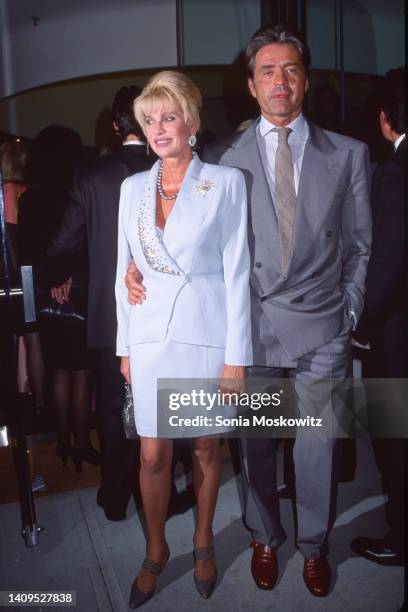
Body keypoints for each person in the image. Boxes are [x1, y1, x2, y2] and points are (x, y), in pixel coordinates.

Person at [127, 24, 372, 597]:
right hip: (252, 327)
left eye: (290, 70)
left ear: (305, 81)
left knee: (317, 448)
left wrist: (349, 311)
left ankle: (313, 545)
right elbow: (181, 239)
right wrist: (139, 266)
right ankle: (264, 536)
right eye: (268, 71)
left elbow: (362, 245)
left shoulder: (350, 155)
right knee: (255, 445)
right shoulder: (219, 159)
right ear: (251, 85)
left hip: (322, 326)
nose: (279, 81)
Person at [116, 70, 252, 608]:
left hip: (204, 337)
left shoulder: (224, 183)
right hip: (149, 339)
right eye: (150, 119)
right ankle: (155, 550)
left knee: (202, 446)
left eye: (168, 117)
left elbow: (237, 273)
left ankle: (202, 540)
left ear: (192, 123)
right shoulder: (131, 188)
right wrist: (125, 346)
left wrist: (237, 359)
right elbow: (120, 270)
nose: (158, 128)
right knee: (152, 456)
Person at [46, 86, 153, 520]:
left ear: (115, 125)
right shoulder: (171, 168)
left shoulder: (92, 176)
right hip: (166, 313)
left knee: (112, 408)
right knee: (162, 405)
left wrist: (57, 275)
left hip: (111, 316)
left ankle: (115, 497)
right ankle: (158, 494)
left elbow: (62, 245)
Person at [18, 125, 97, 470]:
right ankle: (81, 443)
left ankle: (63, 441)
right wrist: (68, 277)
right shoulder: (77, 189)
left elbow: (28, 249)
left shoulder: (29, 197)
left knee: (58, 370)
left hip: (44, 289)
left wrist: (51, 278)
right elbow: (85, 241)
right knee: (81, 371)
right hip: (78, 288)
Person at [351, 67, 405, 566]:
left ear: (385, 120)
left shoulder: (392, 171)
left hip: (396, 341)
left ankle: (401, 539)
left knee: (395, 446)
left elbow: (387, 267)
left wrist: (360, 329)